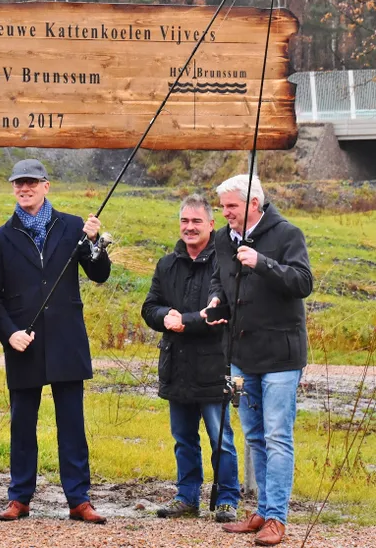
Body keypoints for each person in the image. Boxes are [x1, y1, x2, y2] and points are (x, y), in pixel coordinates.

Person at [0, 159, 111, 524]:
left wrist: (94, 243)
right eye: (18, 184)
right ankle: (19, 498)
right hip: (22, 343)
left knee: (71, 423)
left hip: (66, 340)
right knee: (22, 424)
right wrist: (9, 333)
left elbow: (100, 274)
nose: (24, 189)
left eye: (31, 183)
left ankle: (78, 499)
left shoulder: (74, 226)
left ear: (46, 186)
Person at [202, 174, 313, 546]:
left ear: (253, 204)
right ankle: (263, 511)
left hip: (282, 355)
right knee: (254, 436)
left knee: (278, 436)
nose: (225, 213)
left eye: (231, 206)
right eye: (223, 207)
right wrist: (217, 300)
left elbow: (302, 283)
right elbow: (219, 279)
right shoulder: (222, 239)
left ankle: (277, 519)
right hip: (241, 355)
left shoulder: (288, 234)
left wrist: (262, 262)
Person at [141, 194, 240, 524]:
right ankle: (186, 497)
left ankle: (227, 500)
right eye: (185, 221)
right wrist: (164, 315)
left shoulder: (224, 263)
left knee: (221, 439)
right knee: (183, 440)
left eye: (197, 221)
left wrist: (185, 321)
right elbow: (149, 306)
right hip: (177, 367)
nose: (190, 227)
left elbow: (222, 311)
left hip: (214, 366)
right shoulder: (166, 264)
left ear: (211, 225)